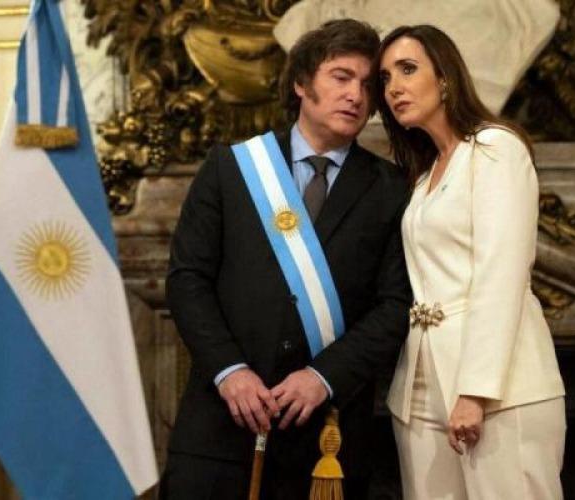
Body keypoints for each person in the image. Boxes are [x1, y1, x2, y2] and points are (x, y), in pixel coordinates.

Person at [160, 19, 411, 500]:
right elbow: (188, 279)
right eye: (341, 77)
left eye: (367, 85)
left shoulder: (391, 189)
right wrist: (229, 370)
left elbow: (396, 305)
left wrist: (324, 377)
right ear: (301, 83)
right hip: (220, 426)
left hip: (326, 438)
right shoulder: (231, 168)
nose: (356, 96)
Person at [377, 25, 567, 499]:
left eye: (407, 69)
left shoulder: (495, 147)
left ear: (444, 78)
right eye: (385, 78)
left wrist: (475, 391)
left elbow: (501, 274)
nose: (394, 87)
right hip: (420, 385)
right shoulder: (423, 176)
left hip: (499, 388)